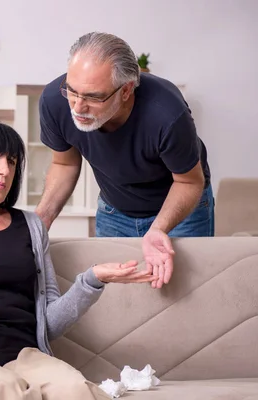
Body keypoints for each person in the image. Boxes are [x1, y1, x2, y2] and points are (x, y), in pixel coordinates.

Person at [0, 119, 157, 400]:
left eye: (11, 161)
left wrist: (92, 281)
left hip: (26, 357)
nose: (5, 169)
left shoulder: (32, 227)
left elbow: (49, 326)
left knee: (76, 390)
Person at [35, 32, 214, 290]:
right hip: (114, 209)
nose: (77, 107)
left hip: (182, 206)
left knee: (185, 296)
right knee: (116, 299)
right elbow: (65, 164)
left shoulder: (167, 114)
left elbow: (189, 182)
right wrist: (42, 220)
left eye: (93, 97)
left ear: (127, 90)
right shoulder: (55, 101)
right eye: (72, 91)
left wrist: (158, 228)